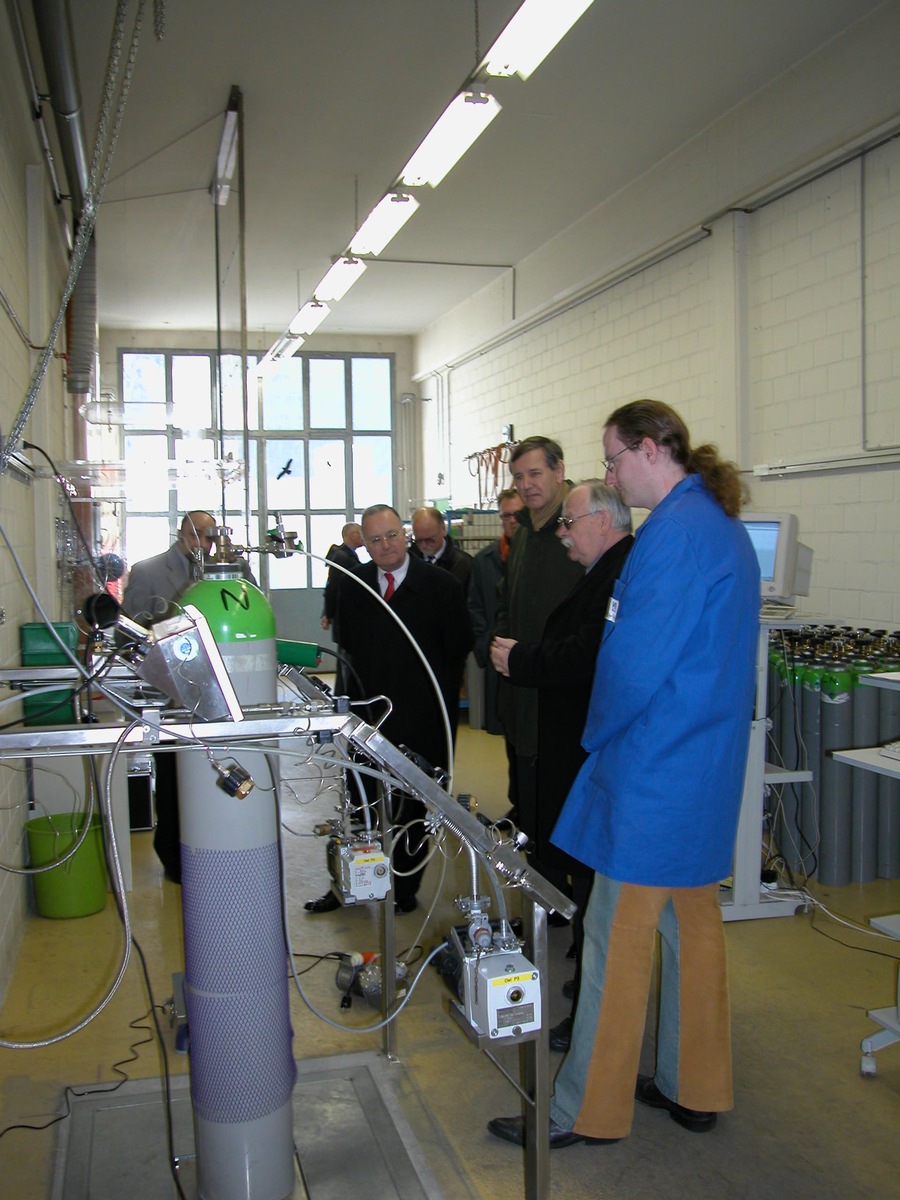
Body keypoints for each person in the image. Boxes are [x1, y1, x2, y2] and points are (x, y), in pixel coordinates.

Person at [488, 399, 760, 1150]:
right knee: (693, 928)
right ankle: (695, 1082)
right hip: (701, 768)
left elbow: (634, 668)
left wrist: (596, 734)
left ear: (648, 450)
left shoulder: (672, 538)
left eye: (611, 459)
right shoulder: (720, 530)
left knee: (615, 934)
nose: (607, 474)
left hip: (656, 772)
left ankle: (586, 1110)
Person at [490, 480, 633, 1053]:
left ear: (602, 520)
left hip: (592, 745)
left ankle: (599, 1015)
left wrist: (524, 659)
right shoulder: (600, 573)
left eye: (571, 523)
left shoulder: (619, 575)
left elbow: (587, 657)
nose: (565, 534)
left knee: (599, 882)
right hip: (580, 739)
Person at [304, 504, 473, 914]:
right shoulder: (354, 584)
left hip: (422, 717)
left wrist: (437, 711)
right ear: (365, 542)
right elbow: (349, 647)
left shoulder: (441, 586)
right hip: (366, 718)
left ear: (406, 534)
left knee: (412, 804)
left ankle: (404, 887)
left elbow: (457, 651)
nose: (385, 545)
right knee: (360, 803)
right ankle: (351, 883)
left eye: (392, 535)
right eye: (375, 539)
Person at [121, 510, 255, 882]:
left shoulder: (235, 570)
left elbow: (252, 612)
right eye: (196, 534)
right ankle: (175, 859)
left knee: (227, 766)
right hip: (172, 696)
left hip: (227, 691)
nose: (205, 542)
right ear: (180, 533)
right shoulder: (148, 571)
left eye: (210, 535)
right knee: (173, 777)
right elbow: (128, 634)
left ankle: (225, 842)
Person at [494, 436, 582, 856]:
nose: (526, 484)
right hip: (523, 687)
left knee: (567, 808)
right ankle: (541, 889)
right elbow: (508, 597)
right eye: (518, 476)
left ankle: (565, 897)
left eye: (535, 473)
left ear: (559, 471)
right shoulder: (526, 531)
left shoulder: (581, 528)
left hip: (567, 697)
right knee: (532, 801)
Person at [467, 488, 523, 736]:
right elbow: (474, 607)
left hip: (528, 657)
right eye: (506, 515)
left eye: (518, 514)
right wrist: (485, 646)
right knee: (500, 727)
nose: (512, 520)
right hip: (496, 658)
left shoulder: (540, 557)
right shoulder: (483, 561)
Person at [320, 522, 363, 691]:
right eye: (360, 533)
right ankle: (345, 695)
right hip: (344, 618)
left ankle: (343, 693)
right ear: (351, 535)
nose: (363, 537)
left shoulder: (346, 556)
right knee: (346, 660)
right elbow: (333, 588)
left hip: (344, 617)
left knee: (344, 660)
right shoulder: (343, 559)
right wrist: (328, 614)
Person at [410, 506, 473, 591]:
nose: (424, 545)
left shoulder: (465, 565)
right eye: (418, 540)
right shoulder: (408, 561)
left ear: (443, 530)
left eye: (429, 540)